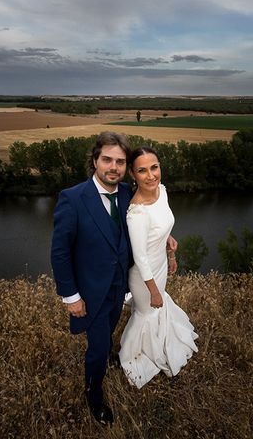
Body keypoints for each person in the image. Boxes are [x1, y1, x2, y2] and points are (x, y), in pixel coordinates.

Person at [50, 132, 176, 425]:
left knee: (109, 332)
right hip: (90, 292)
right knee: (95, 348)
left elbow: (140, 230)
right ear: (95, 161)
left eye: (120, 161)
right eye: (107, 159)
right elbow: (60, 253)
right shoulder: (73, 199)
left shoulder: (124, 194)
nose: (114, 167)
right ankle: (94, 397)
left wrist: (167, 238)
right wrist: (71, 297)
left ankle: (109, 356)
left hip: (120, 286)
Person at [119, 146, 198, 389]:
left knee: (158, 307)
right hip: (144, 276)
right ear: (133, 174)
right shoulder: (137, 213)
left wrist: (168, 241)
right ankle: (136, 354)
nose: (151, 175)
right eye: (142, 171)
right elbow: (140, 258)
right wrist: (153, 291)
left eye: (154, 167)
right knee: (147, 312)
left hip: (161, 263)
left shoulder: (161, 191)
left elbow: (162, 222)